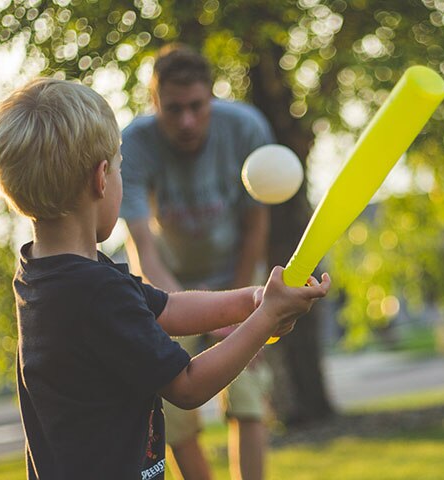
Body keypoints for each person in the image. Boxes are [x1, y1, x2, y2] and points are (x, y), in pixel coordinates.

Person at [0, 78, 330, 479]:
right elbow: (188, 386)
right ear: (101, 178)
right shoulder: (95, 291)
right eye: (119, 168)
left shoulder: (43, 274)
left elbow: (166, 307)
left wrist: (255, 299)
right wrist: (267, 318)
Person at [118, 44, 276, 480]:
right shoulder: (132, 144)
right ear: (155, 104)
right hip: (168, 283)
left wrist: (239, 307)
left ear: (212, 98)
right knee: (174, 404)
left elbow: (255, 230)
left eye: (196, 106)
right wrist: (184, 308)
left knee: (247, 397)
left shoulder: (246, 127)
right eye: (173, 109)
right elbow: (142, 247)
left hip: (237, 273)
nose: (186, 120)